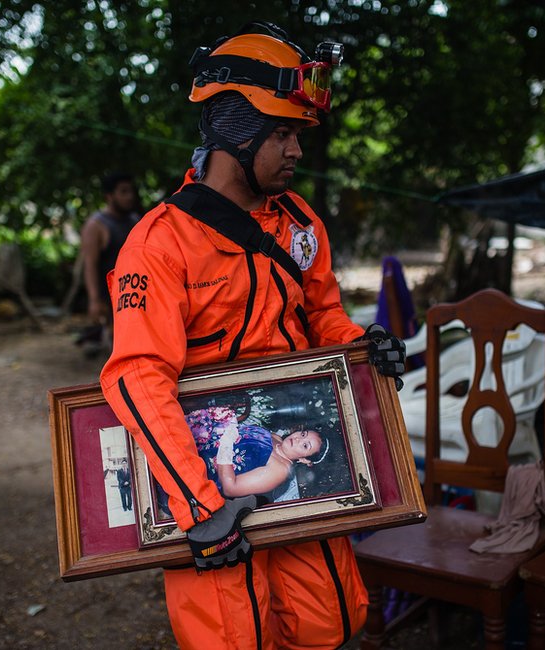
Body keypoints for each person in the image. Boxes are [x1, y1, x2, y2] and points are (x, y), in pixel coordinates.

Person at [99, 21, 405, 650]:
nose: (296, 151)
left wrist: (360, 347)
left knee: (329, 619)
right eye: (283, 133)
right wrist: (199, 504)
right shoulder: (158, 244)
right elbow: (137, 376)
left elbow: (323, 318)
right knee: (235, 634)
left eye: (299, 135)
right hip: (211, 483)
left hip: (297, 466)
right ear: (235, 130)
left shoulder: (301, 225)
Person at [185, 406, 327, 500]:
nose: (297, 439)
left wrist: (226, 444)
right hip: (193, 445)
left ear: (304, 460)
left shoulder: (279, 471)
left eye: (305, 445)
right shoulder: (277, 438)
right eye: (303, 434)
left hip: (195, 472)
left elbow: (230, 488)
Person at [78, 171, 140, 353]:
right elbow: (90, 265)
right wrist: (94, 300)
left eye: (131, 191)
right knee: (118, 345)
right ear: (109, 196)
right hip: (110, 298)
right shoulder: (96, 225)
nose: (130, 197)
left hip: (134, 292)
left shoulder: (135, 221)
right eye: (123, 191)